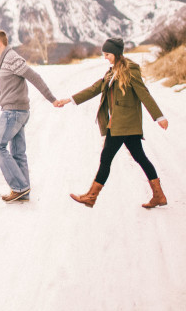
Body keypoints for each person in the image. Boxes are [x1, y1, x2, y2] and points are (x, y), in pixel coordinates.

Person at [55, 37, 169, 209]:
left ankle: (91, 197)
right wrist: (69, 99)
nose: (105, 57)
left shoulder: (130, 70)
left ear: (116, 53)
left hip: (123, 125)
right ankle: (158, 196)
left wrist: (159, 117)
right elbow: (94, 88)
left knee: (106, 158)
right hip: (120, 124)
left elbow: (144, 94)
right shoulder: (112, 72)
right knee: (140, 158)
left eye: (107, 54)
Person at [0, 30, 64, 203]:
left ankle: (19, 187)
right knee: (18, 153)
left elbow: (34, 77)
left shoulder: (11, 58)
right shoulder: (4, 60)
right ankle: (23, 192)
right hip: (18, 111)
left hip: (13, 113)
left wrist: (52, 99)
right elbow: (5, 91)